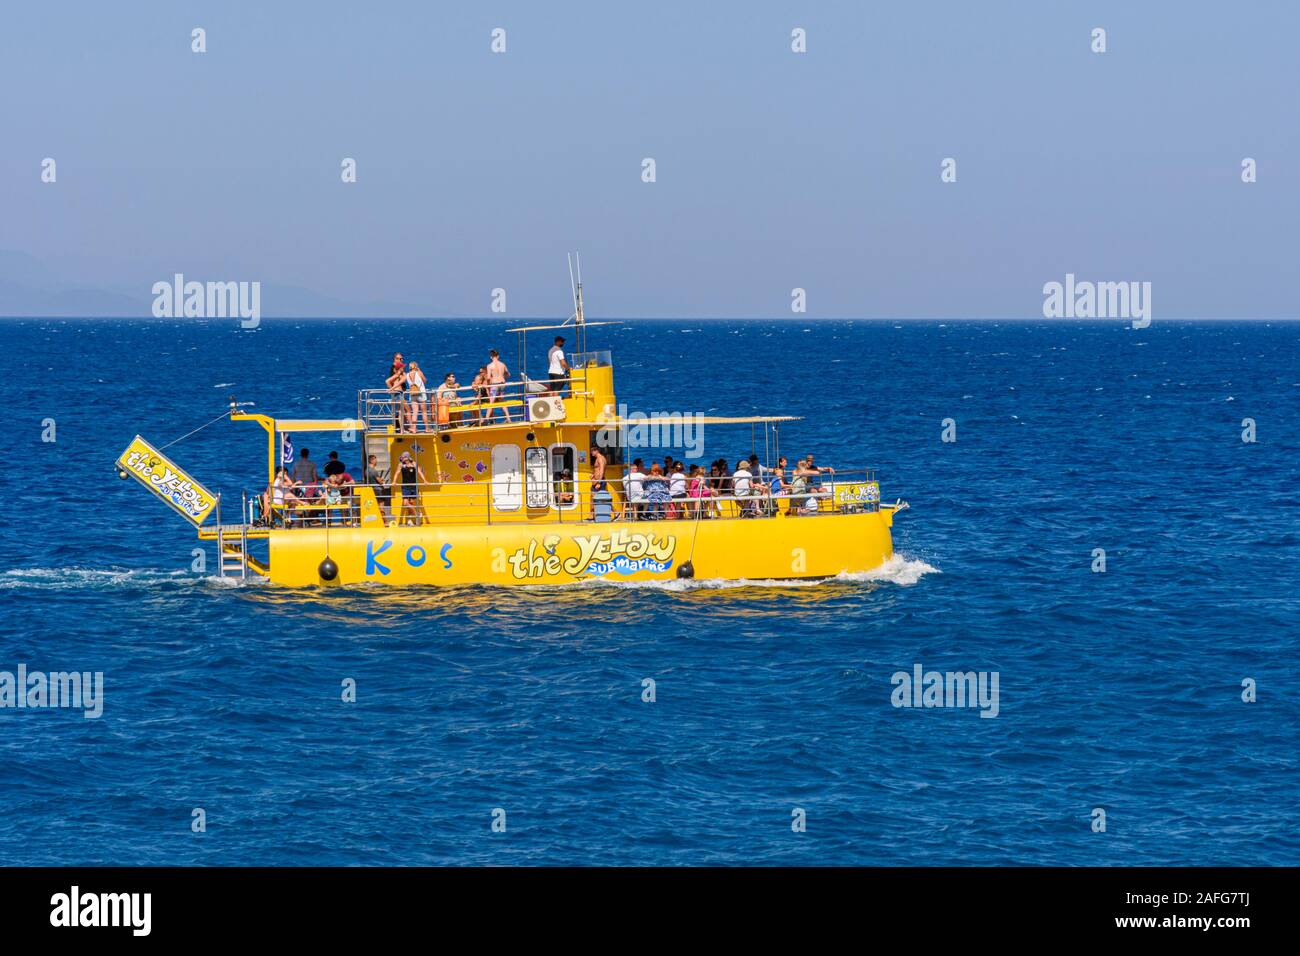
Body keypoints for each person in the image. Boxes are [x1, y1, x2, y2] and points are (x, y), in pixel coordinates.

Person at [395, 451, 428, 526]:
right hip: (405, 486)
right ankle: (417, 514)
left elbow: (419, 472)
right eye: (402, 457)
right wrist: (394, 481)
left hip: (414, 486)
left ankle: (410, 520)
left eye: (403, 457)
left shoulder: (414, 464)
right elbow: (397, 473)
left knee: (411, 503)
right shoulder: (401, 465)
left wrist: (425, 480)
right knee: (405, 503)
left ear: (407, 457)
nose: (402, 459)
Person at [485, 349, 513, 423]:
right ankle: (508, 418)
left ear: (491, 357)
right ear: (498, 356)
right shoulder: (502, 364)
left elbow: (488, 377)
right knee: (502, 401)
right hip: (502, 384)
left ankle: (486, 419)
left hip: (494, 384)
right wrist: (503, 376)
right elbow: (508, 374)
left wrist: (488, 384)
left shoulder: (489, 366)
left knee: (491, 402)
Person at [364, 453, 391, 524]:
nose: (377, 461)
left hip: (372, 489)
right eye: (376, 459)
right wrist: (382, 480)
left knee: (373, 506)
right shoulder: (374, 471)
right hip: (379, 490)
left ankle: (375, 520)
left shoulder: (366, 470)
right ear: (372, 460)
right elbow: (380, 481)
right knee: (381, 506)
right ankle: (384, 521)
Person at [386, 354, 408, 431]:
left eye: (402, 358)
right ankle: (403, 428)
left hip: (400, 393)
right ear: (395, 359)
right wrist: (392, 390)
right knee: (405, 411)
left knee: (402, 411)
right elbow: (389, 381)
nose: (401, 360)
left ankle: (401, 428)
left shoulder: (398, 371)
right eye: (400, 359)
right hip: (399, 393)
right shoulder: (396, 370)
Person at [406, 361, 429, 431]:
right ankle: (427, 428)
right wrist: (420, 370)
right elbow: (425, 381)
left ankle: (414, 428)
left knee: (415, 412)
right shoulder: (419, 373)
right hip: (421, 393)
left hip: (412, 394)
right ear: (416, 366)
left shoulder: (407, 375)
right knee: (424, 412)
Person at [589, 443, 608, 519]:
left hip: (599, 481)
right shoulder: (597, 459)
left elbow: (602, 471)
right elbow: (597, 470)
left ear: (596, 450)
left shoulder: (600, 458)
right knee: (593, 497)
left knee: (601, 499)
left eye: (592, 451)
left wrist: (599, 482)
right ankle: (591, 515)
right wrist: (593, 474)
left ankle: (616, 512)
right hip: (596, 481)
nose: (591, 453)